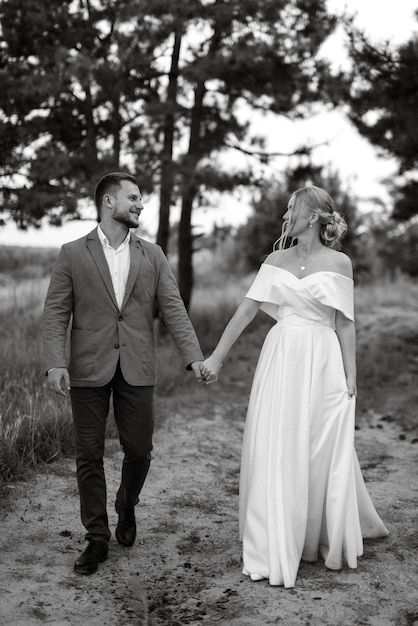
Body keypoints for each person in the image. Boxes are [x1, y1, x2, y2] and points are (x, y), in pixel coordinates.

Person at [201, 185, 388, 588]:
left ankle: (313, 534)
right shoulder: (275, 260)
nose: (286, 215)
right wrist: (216, 357)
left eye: (292, 208)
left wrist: (350, 375)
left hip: (322, 361)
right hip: (282, 357)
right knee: (278, 443)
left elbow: (344, 323)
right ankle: (272, 533)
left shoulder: (340, 263)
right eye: (286, 208)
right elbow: (247, 310)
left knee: (319, 445)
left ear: (316, 215)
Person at [43, 172, 204, 575]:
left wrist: (195, 357)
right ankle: (96, 538)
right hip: (87, 366)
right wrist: (54, 361)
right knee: (89, 454)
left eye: (141, 199)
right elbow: (56, 312)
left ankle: (126, 503)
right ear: (108, 202)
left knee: (139, 449)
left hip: (137, 366)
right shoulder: (72, 253)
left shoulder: (153, 255)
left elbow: (173, 308)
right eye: (133, 198)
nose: (140, 205)